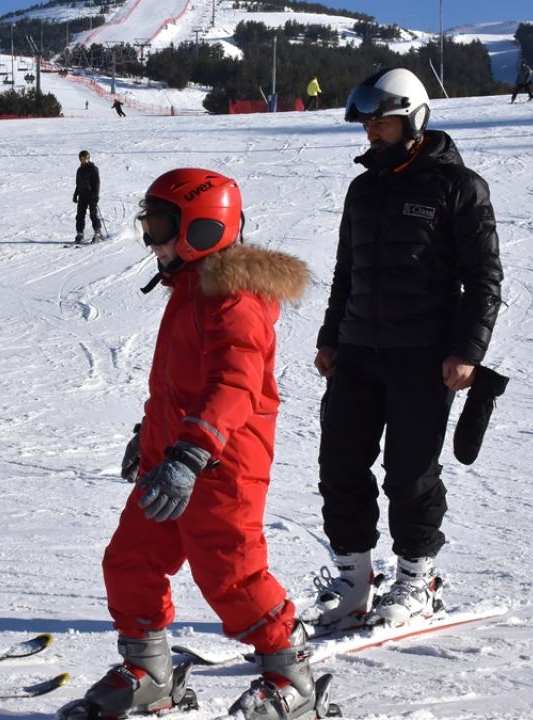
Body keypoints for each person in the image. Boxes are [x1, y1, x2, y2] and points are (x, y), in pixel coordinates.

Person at [60, 170, 330, 720]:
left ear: (203, 229)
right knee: (131, 560)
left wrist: (189, 454)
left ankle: (292, 677)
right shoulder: (190, 289)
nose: (151, 241)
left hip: (222, 464)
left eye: (160, 227)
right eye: (149, 226)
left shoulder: (235, 300)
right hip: (172, 460)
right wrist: (149, 433)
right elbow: (175, 384)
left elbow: (235, 385)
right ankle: (149, 673)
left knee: (232, 575)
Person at [305, 68, 503, 631]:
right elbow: (347, 273)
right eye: (367, 124)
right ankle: (353, 581)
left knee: (409, 474)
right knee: (340, 465)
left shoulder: (458, 187)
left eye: (383, 122)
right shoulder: (363, 189)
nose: (371, 132)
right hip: (357, 352)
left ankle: (418, 581)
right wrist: (330, 337)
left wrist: (467, 350)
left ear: (413, 120)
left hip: (423, 355)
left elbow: (484, 279)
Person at [73, 150, 103, 243]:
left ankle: (98, 233)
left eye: (86, 159)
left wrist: (96, 195)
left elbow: (97, 183)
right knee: (80, 215)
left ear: (89, 158)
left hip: (91, 195)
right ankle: (80, 233)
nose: (84, 160)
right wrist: (75, 194)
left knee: (93, 214)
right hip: (82, 195)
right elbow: (78, 184)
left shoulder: (93, 168)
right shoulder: (79, 170)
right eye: (82, 159)